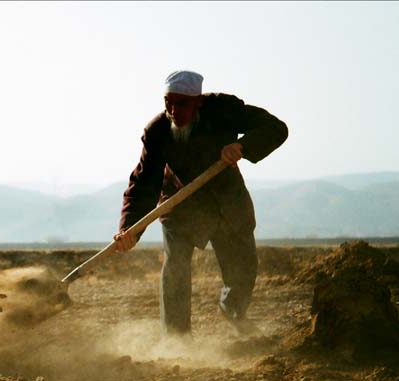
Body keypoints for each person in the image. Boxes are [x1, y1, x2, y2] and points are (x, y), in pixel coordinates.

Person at [114, 70, 288, 337]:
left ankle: (233, 311)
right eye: (168, 102)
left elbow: (276, 128)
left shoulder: (224, 109)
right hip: (180, 208)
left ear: (199, 102)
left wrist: (243, 146)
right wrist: (130, 229)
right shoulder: (157, 132)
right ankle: (177, 339)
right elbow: (143, 182)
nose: (173, 110)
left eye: (182, 103)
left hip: (227, 204)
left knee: (242, 267)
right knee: (176, 271)